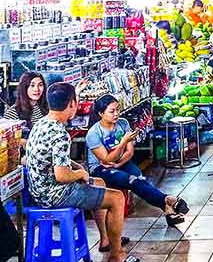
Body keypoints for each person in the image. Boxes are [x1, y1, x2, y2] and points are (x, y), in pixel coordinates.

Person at [25, 83, 136, 262]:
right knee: (117, 199)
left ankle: (106, 239)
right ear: (72, 104)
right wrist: (80, 175)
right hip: (55, 194)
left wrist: (77, 166)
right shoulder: (59, 133)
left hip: (38, 191)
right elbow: (61, 175)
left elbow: (55, 160)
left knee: (99, 183)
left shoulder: (42, 124)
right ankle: (117, 256)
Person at [87, 95, 188, 229]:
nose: (116, 114)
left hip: (120, 162)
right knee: (132, 180)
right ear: (101, 113)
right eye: (112, 111)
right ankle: (167, 201)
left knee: (139, 177)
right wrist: (123, 142)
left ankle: (167, 206)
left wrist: (118, 163)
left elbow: (130, 152)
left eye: (118, 109)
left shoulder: (123, 124)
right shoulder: (94, 133)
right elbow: (106, 159)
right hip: (100, 169)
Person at [4, 71, 48, 142]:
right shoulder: (13, 113)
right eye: (32, 85)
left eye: (40, 85)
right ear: (24, 88)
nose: (36, 89)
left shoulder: (47, 107)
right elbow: (5, 140)